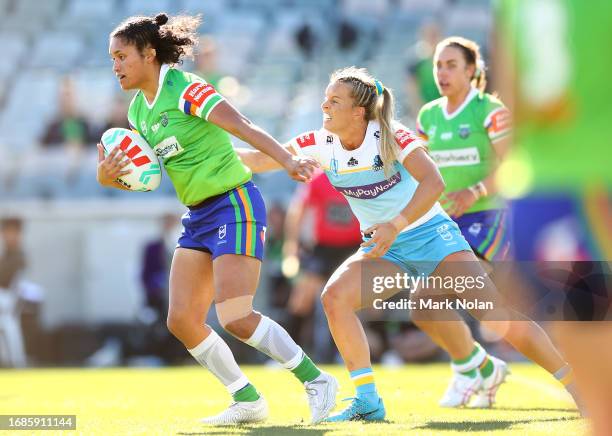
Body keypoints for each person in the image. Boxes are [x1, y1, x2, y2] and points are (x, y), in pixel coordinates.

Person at [237, 66, 580, 422]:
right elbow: (261, 159)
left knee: (495, 315)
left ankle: (576, 384)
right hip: (388, 251)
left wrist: (395, 225)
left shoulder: (390, 135)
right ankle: (368, 400)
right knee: (335, 297)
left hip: (432, 239)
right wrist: (207, 148)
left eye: (334, 100)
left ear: (358, 112)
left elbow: (434, 181)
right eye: (325, 98)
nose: (325, 105)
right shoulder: (318, 142)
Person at [98, 13, 337, 425]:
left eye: (122, 56)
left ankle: (317, 382)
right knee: (182, 320)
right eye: (112, 58)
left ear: (149, 54)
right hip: (198, 216)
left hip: (234, 204)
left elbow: (242, 126)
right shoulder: (138, 112)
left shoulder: (187, 89)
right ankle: (246, 399)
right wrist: (109, 179)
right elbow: (149, 180)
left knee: (236, 317)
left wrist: (287, 159)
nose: (115, 65)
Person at [416, 36, 580, 408]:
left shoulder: (490, 111)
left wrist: (473, 191)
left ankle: (478, 370)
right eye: (438, 65)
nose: (441, 72)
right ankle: (482, 369)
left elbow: (512, 162)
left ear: (472, 70)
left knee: (434, 301)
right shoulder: (428, 115)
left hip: (488, 221)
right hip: (446, 225)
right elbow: (421, 170)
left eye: (451, 65)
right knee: (430, 307)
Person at [282, 170, 362, 361]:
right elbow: (297, 210)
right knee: (301, 300)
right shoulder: (319, 178)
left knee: (359, 304)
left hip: (355, 248)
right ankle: (285, 355)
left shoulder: (363, 174)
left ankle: (356, 355)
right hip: (324, 250)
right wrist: (291, 246)